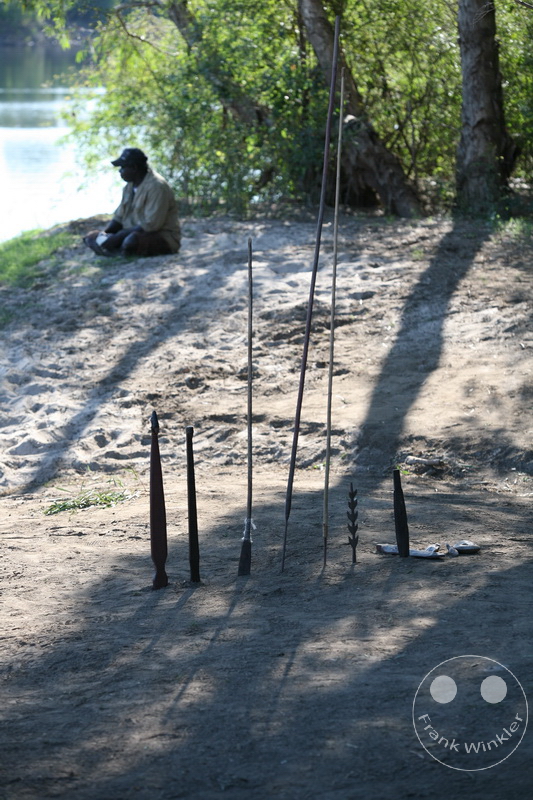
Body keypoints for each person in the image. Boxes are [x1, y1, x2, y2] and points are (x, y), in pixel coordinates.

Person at [83, 148, 181, 257]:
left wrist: (118, 237)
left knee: (131, 241)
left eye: (123, 167)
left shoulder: (157, 186)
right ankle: (114, 251)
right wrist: (106, 235)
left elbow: (151, 225)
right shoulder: (129, 187)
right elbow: (119, 218)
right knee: (91, 237)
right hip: (130, 232)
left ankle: (116, 252)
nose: (120, 171)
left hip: (160, 237)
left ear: (134, 168)